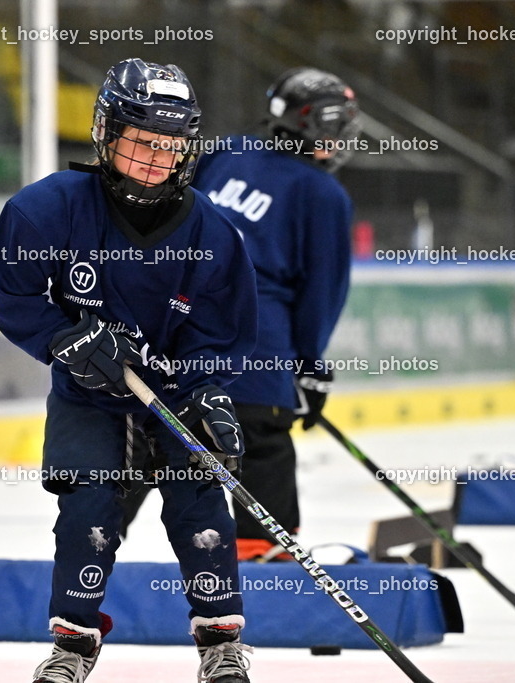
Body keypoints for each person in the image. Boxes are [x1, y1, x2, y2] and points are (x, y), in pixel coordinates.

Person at [0, 58, 258, 683]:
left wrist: (208, 392)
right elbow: (15, 291)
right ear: (106, 134)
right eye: (139, 142)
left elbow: (224, 334)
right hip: (88, 397)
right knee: (87, 510)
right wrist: (63, 338)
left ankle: (220, 643)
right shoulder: (45, 210)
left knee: (199, 505)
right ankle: (72, 647)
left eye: (168, 146)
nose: (153, 160)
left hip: (175, 395)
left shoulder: (215, 235)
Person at [120, 67, 359, 562]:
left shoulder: (225, 154)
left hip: (169, 345)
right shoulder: (322, 194)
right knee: (261, 449)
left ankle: (82, 563)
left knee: (144, 447)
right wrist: (309, 365)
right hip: (254, 361)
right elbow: (321, 294)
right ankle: (263, 569)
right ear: (321, 127)